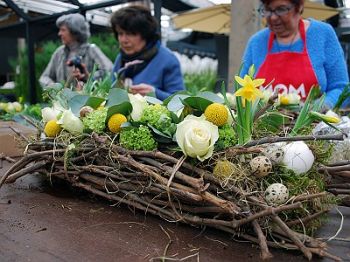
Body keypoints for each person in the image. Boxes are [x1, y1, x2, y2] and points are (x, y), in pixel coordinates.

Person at [241, 0, 349, 109]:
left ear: (299, 7)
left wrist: (320, 107)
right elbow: (242, 91)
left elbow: (341, 88)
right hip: (262, 124)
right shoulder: (256, 42)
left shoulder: (322, 34)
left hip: (313, 124)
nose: (273, 17)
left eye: (281, 9)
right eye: (267, 10)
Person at [110, 5, 185, 100]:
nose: (124, 40)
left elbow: (181, 100)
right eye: (120, 33)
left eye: (130, 34)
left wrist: (154, 94)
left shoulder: (168, 60)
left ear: (145, 34)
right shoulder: (121, 58)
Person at [39, 13, 113, 89]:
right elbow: (44, 78)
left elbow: (109, 70)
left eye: (63, 30)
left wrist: (88, 78)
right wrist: (55, 88)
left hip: (86, 100)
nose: (59, 33)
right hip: (63, 100)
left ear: (75, 32)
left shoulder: (90, 50)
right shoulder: (59, 52)